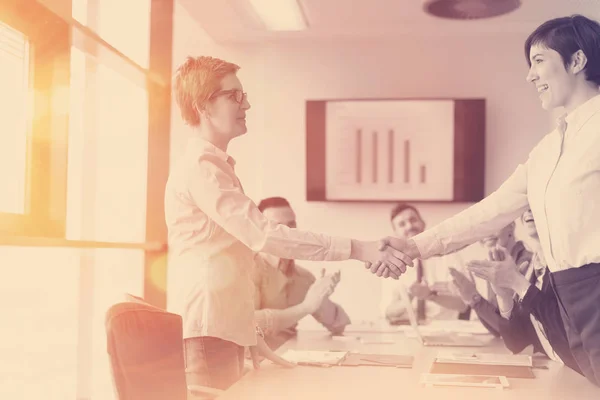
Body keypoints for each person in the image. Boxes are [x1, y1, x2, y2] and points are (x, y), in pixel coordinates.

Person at [370, 15, 600, 386]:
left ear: (577, 61)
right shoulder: (545, 151)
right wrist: (412, 246)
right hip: (564, 298)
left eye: (539, 61)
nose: (529, 76)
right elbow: (489, 212)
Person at [165, 56, 409, 390]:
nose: (246, 103)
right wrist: (359, 248)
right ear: (203, 105)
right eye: (234, 96)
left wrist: (247, 333)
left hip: (222, 329)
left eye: (244, 95)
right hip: (209, 331)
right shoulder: (201, 168)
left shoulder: (214, 166)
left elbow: (228, 261)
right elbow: (264, 235)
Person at [467, 210, 582, 375]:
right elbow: (517, 343)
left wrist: (517, 283)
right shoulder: (534, 269)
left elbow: (570, 336)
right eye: (527, 204)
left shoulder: (572, 262)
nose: (528, 209)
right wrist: (504, 297)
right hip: (559, 373)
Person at [253, 197, 351, 350]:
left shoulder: (304, 277)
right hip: (253, 366)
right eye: (278, 226)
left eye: (292, 225)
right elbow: (248, 324)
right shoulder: (248, 268)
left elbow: (340, 325)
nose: (288, 233)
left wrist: (321, 298)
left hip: (290, 362)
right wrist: (306, 307)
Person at [385, 203, 471, 324]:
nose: (409, 226)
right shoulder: (393, 265)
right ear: (396, 233)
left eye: (413, 220)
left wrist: (431, 295)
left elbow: (465, 304)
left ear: (423, 223)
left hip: (446, 330)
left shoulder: (450, 257)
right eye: (402, 224)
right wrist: (410, 296)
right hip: (408, 331)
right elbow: (388, 312)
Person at [451, 221, 532, 335]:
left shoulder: (526, 262)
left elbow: (512, 332)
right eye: (481, 228)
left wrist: (475, 299)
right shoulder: (496, 263)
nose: (486, 233)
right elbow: (496, 330)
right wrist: (472, 298)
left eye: (491, 224)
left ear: (511, 226)